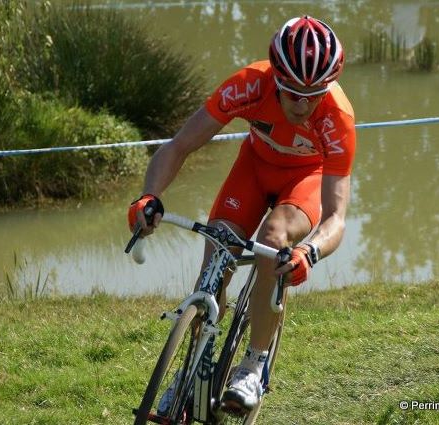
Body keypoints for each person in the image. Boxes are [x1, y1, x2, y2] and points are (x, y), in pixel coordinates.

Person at [128, 15, 356, 412]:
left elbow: (336, 216)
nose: (302, 106)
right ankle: (190, 369)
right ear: (276, 80)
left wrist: (310, 252)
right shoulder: (249, 84)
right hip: (254, 166)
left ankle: (254, 364)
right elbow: (180, 145)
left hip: (304, 177)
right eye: (291, 94)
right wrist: (148, 196)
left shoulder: (338, 118)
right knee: (218, 247)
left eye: (313, 95)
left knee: (274, 241)